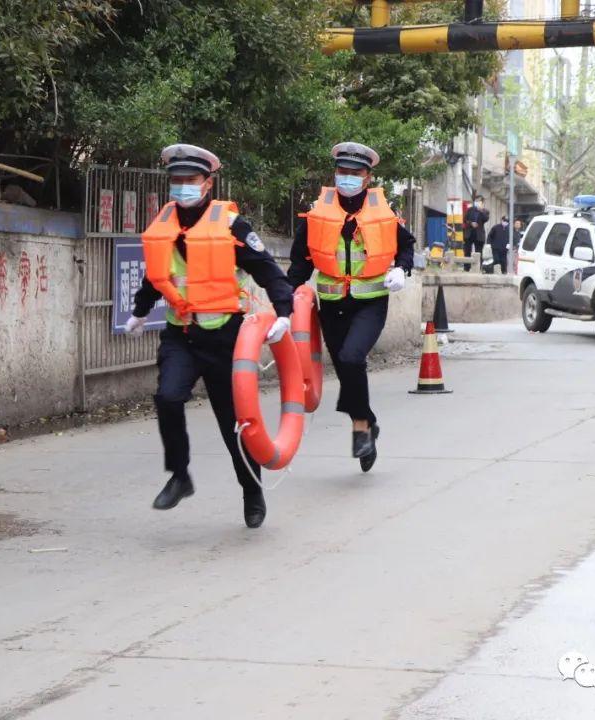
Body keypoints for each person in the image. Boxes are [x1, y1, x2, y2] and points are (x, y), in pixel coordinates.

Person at [122, 144, 293, 529]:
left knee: (235, 425)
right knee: (168, 397)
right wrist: (138, 311)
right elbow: (157, 276)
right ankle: (180, 476)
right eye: (176, 181)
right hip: (182, 334)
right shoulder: (162, 226)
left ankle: (252, 491)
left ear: (208, 183)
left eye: (190, 180)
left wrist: (284, 312)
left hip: (226, 338)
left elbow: (267, 270)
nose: (182, 187)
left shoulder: (232, 227)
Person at [287, 142, 415, 472]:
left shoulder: (383, 213)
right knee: (345, 369)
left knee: (351, 357)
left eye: (354, 174)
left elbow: (406, 246)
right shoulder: (318, 214)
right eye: (341, 173)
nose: (346, 179)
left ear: (367, 177)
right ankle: (370, 421)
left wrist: (402, 268)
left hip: (370, 302)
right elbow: (301, 261)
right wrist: (284, 300)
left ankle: (360, 427)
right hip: (331, 304)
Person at [463, 195, 490, 272]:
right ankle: (466, 268)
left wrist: (481, 211)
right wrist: (471, 223)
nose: (478, 202)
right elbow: (465, 219)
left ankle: (478, 268)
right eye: (477, 201)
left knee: (479, 252)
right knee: (467, 251)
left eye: (479, 201)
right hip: (469, 233)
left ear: (482, 203)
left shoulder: (485, 211)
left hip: (479, 235)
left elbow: (486, 219)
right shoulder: (470, 210)